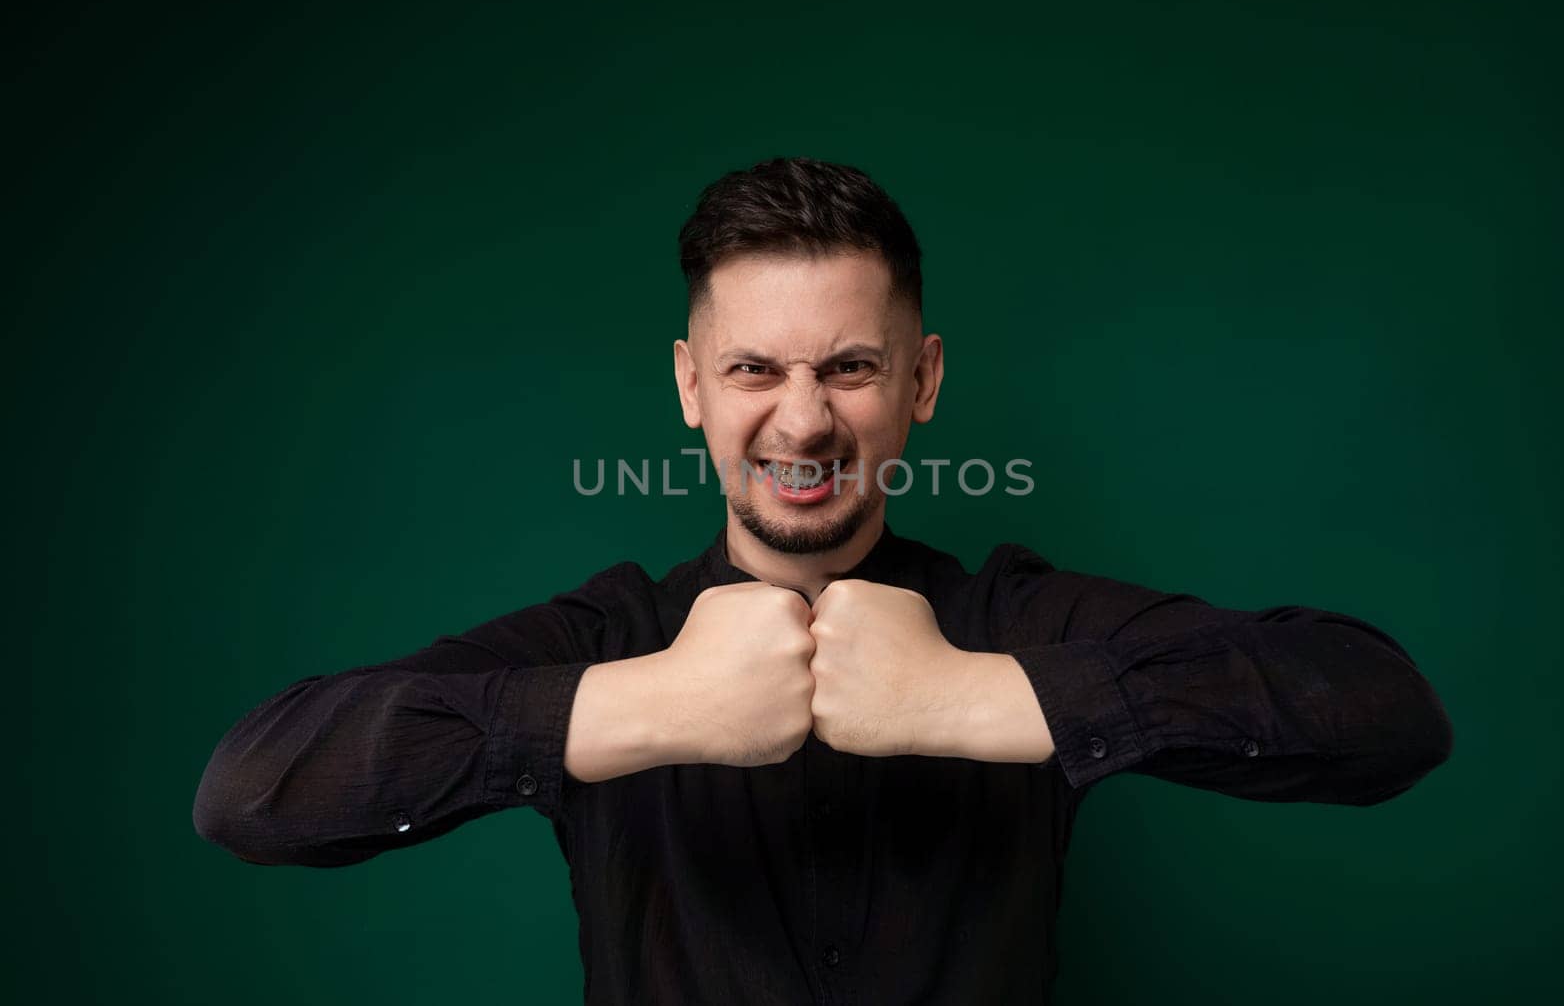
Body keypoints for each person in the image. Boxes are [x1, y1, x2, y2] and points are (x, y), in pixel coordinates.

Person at [192, 157, 1454, 1004]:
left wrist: (984, 703)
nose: (802, 424)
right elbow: (255, 792)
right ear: (689, 385)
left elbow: (1384, 711)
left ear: (924, 382)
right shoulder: (609, 635)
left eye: (850, 366)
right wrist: (632, 709)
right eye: (753, 371)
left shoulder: (1013, 621)